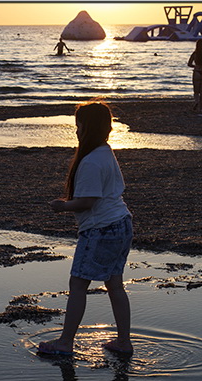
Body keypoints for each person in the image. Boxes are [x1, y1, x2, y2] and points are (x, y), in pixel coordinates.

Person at [37, 102, 133, 357]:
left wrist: (63, 206)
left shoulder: (91, 161)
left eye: (78, 125)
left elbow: (89, 201)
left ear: (86, 127)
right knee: (115, 285)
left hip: (101, 229)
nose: (76, 130)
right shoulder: (105, 150)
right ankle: (124, 341)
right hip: (121, 223)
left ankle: (65, 342)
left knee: (78, 284)